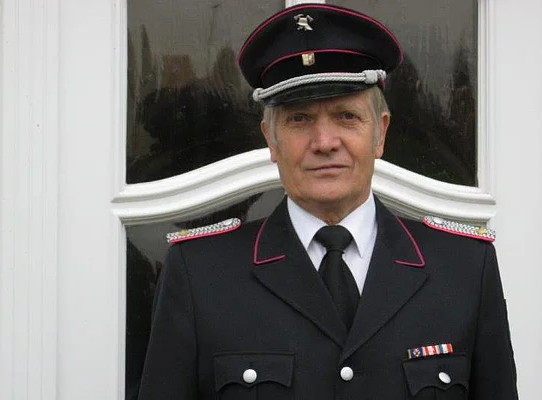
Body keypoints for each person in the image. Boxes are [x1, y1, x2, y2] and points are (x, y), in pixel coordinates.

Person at [138, 4, 518, 399]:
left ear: (380, 133)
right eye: (299, 119)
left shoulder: (464, 268)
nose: (324, 143)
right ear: (271, 140)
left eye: (347, 116)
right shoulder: (200, 274)